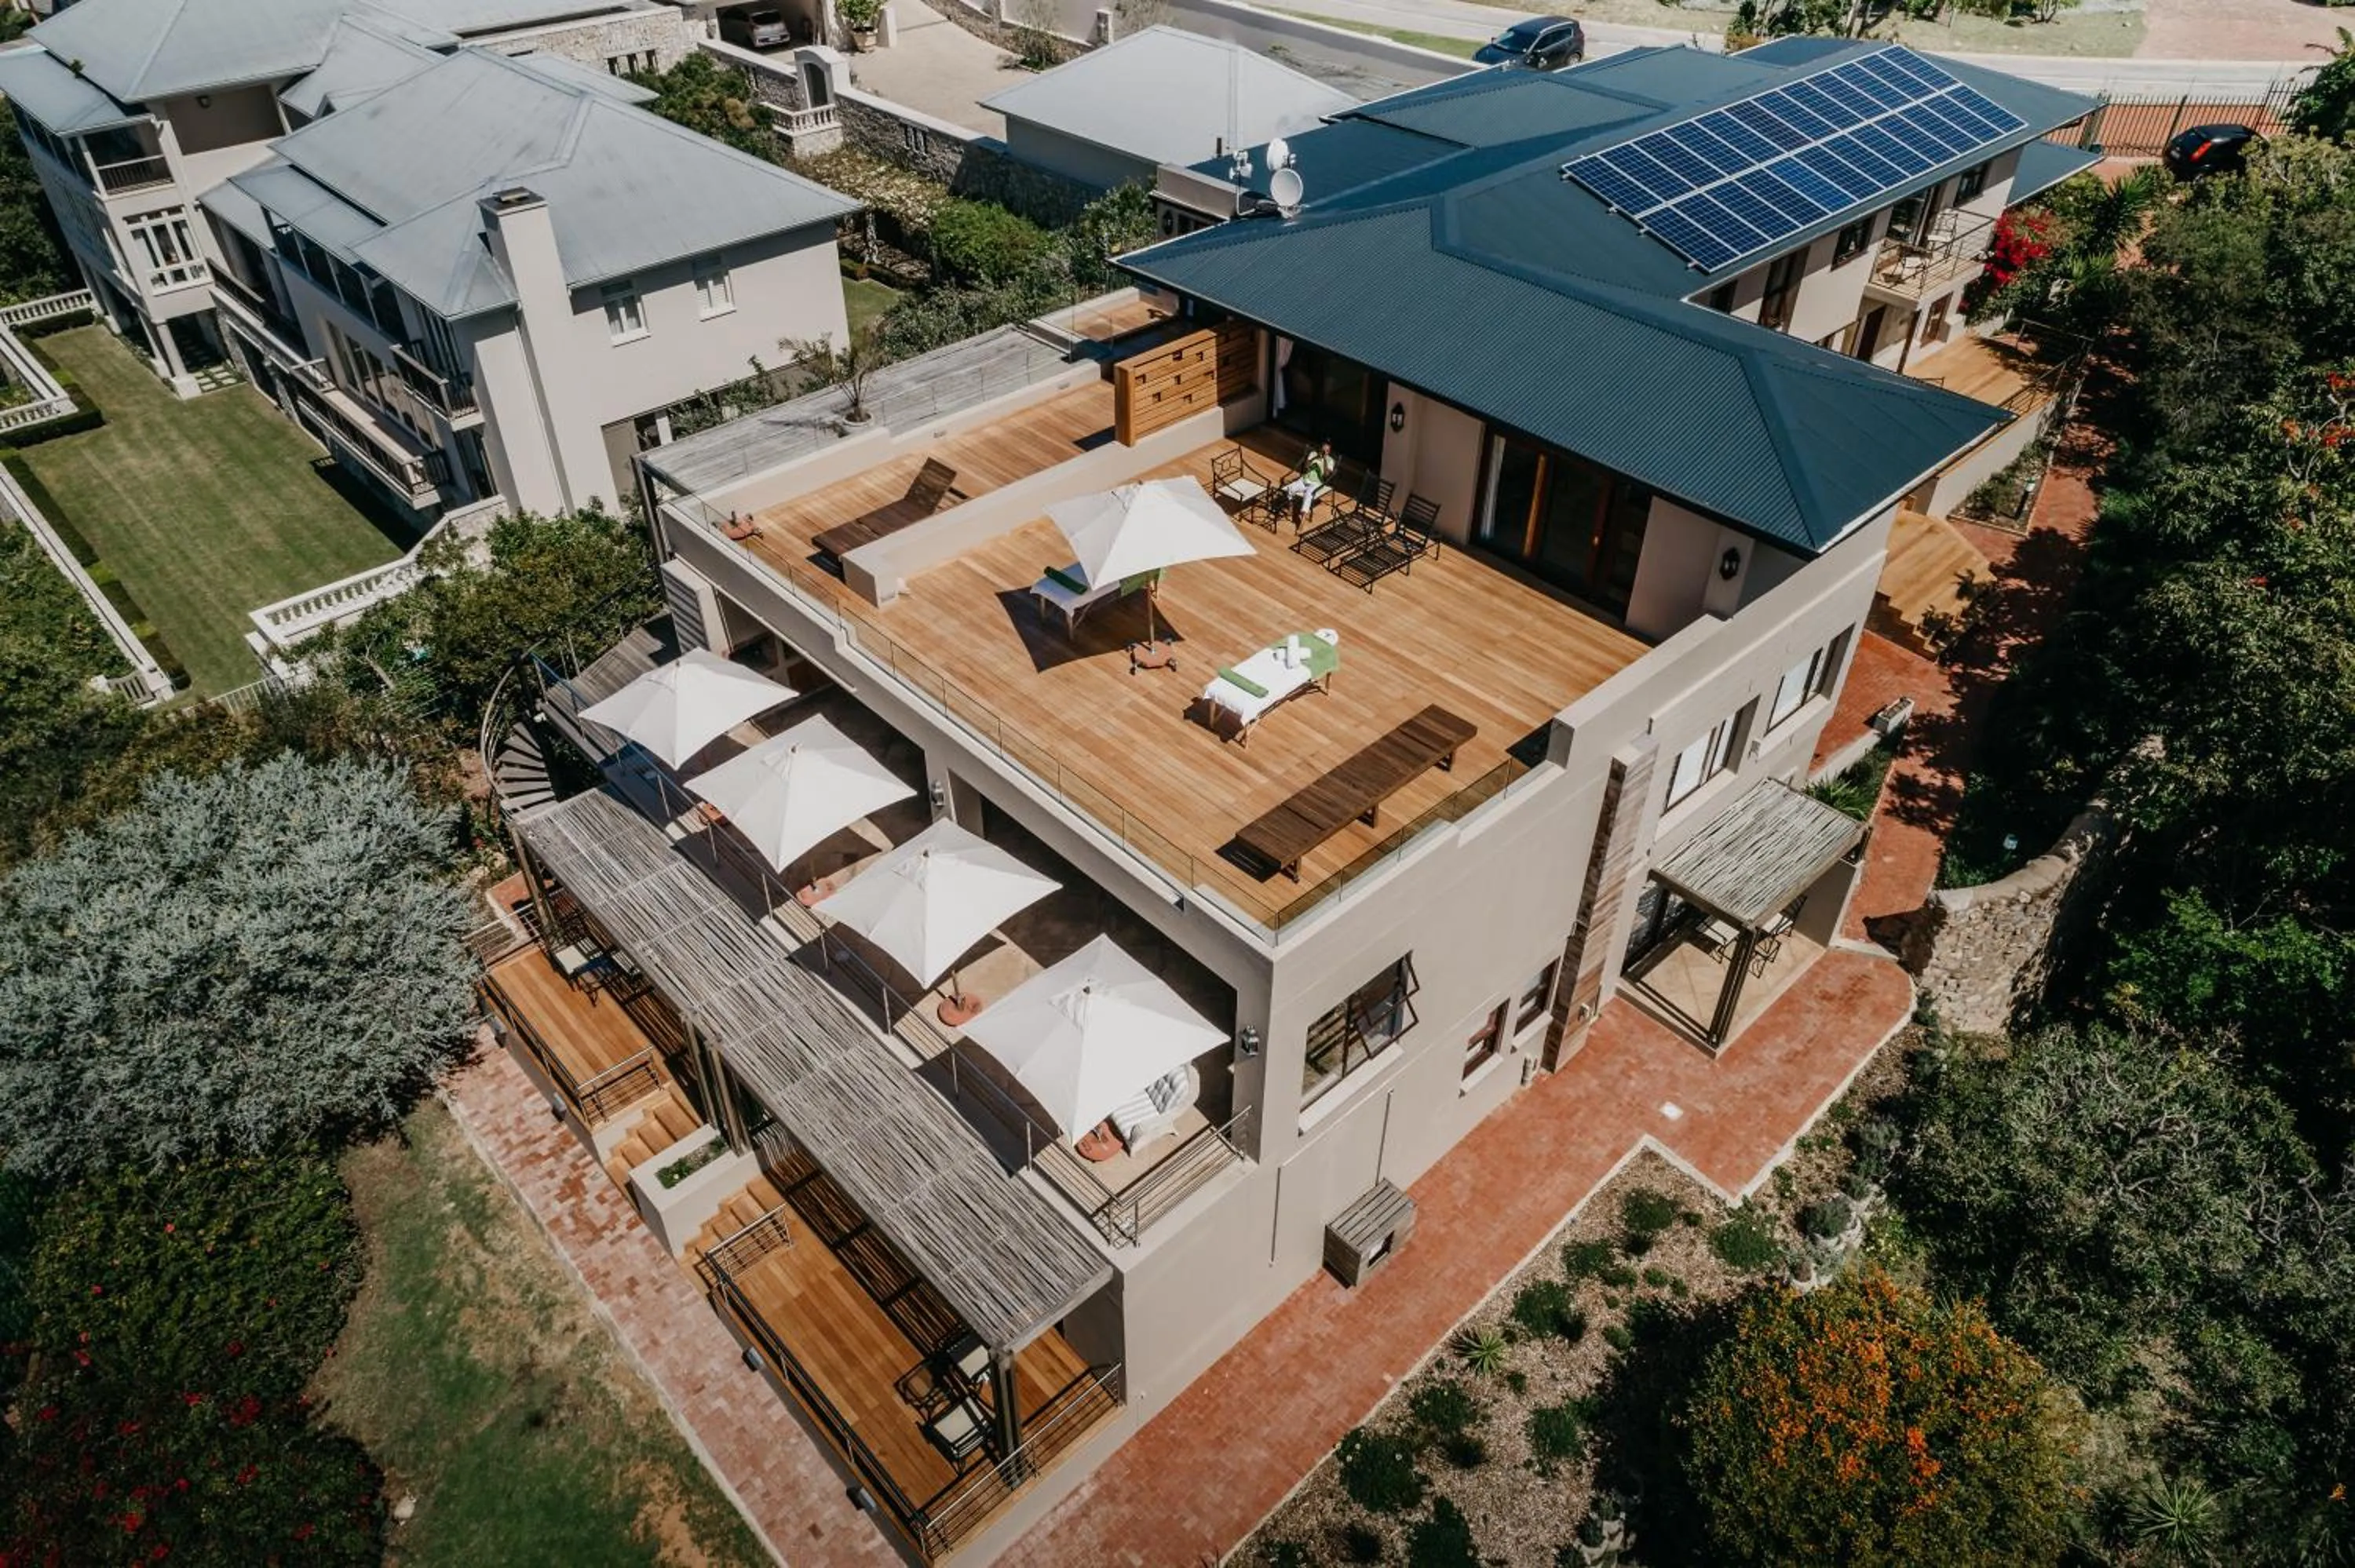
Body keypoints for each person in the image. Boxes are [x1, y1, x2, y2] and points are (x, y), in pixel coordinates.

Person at [1282, 441, 1335, 524]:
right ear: (1320, 448)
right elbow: (1306, 467)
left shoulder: (1330, 461)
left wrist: (1324, 460)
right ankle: (1291, 507)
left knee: (1308, 495)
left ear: (1329, 452)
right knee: (1290, 488)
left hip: (1316, 483)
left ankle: (1302, 516)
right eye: (1323, 449)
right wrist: (1316, 458)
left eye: (1327, 450)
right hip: (1305, 479)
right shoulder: (1313, 454)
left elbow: (1326, 475)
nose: (1324, 451)